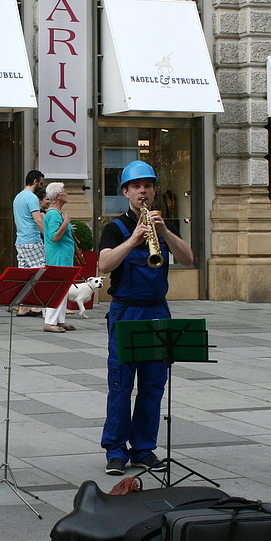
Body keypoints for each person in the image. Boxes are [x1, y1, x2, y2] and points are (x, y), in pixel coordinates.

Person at [98, 161, 194, 476]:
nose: (143, 191)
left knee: (153, 385)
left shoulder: (164, 224)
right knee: (122, 383)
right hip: (126, 309)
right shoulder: (115, 228)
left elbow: (188, 258)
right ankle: (115, 449)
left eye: (148, 185)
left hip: (157, 309)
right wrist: (133, 241)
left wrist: (163, 230)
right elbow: (104, 265)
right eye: (137, 186)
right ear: (125, 191)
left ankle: (143, 448)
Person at [43, 182, 76, 334]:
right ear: (58, 196)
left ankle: (59, 320)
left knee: (62, 289)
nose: (66, 193)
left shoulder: (56, 214)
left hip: (62, 257)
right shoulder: (53, 214)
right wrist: (66, 222)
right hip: (58, 258)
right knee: (57, 288)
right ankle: (50, 321)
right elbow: (54, 236)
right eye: (64, 191)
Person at [13, 170, 46, 316]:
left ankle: (23, 306)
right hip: (32, 239)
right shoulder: (32, 197)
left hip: (20, 240)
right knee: (41, 271)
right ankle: (36, 306)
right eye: (41, 182)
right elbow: (38, 220)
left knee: (25, 274)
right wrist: (48, 237)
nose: (41, 185)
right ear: (35, 181)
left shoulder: (17, 197)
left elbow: (16, 220)